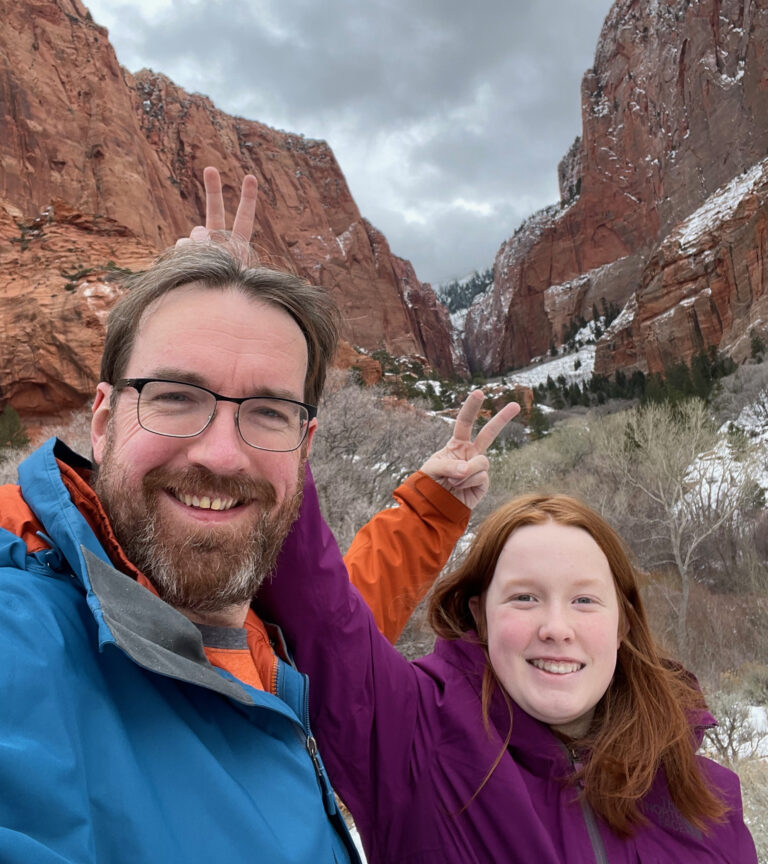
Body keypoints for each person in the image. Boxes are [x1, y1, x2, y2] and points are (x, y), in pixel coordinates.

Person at [0, 186, 518, 862]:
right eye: (177, 397)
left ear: (303, 451)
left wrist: (431, 508)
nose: (221, 453)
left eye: (268, 412)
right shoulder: (26, 637)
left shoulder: (269, 640)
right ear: (103, 422)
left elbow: (343, 618)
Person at [257, 484, 759, 862]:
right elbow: (317, 610)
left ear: (623, 621)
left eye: (584, 600)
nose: (556, 628)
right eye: (525, 598)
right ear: (480, 613)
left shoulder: (704, 797)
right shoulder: (413, 741)